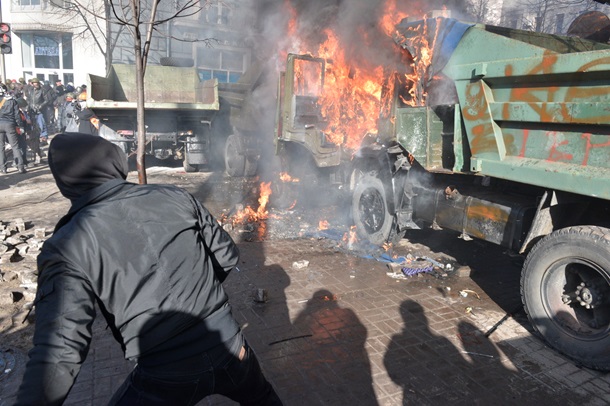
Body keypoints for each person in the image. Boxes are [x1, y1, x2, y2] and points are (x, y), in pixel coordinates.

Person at [15, 133, 283, 406]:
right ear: (116, 164)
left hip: (164, 374)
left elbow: (60, 350)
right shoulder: (175, 195)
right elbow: (226, 256)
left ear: (65, 182)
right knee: (263, 398)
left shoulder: (66, 244)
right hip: (231, 348)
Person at [0, 84, 27, 174]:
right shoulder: (12, 101)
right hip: (10, 124)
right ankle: (20, 167)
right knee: (15, 146)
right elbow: (17, 115)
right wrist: (20, 126)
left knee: (1, 147)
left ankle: (3, 168)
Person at [25, 77, 51, 143]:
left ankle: (44, 137)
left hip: (40, 110)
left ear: (38, 83)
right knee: (33, 124)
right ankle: (35, 137)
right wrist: (27, 107)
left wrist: (40, 106)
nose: (35, 85)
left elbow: (47, 100)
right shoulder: (30, 90)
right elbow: (28, 99)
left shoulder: (42, 90)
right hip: (31, 109)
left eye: (36, 84)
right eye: (33, 84)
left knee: (41, 123)